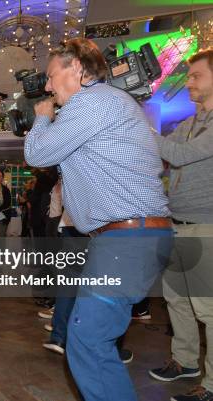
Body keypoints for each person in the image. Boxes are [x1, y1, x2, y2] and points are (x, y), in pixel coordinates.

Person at [24, 38, 172, 401]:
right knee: (94, 340)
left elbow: (37, 151)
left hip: (127, 238)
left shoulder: (91, 102)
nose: (46, 86)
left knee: (87, 342)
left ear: (76, 67)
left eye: (50, 75)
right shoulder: (107, 104)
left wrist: (43, 118)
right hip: (130, 237)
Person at [148, 48, 213, 401]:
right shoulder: (188, 123)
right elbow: (160, 156)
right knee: (177, 302)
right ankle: (185, 361)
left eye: (196, 75)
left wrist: (136, 127)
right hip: (178, 223)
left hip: (206, 224)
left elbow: (179, 155)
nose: (188, 81)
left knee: (208, 308)